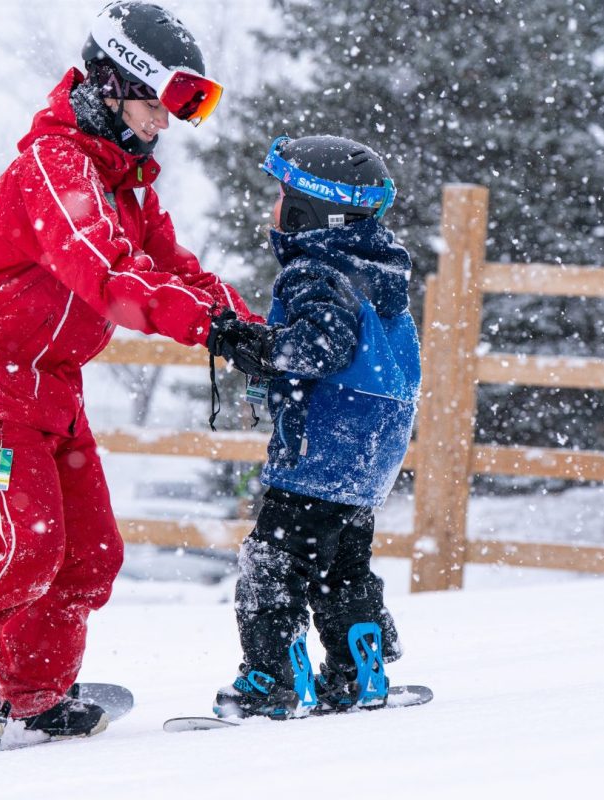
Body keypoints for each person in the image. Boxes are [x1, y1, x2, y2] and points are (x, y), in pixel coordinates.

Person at [0, 1, 260, 751]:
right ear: (114, 85)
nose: (165, 123)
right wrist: (205, 325)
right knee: (21, 545)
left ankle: (30, 691)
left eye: (178, 109)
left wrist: (253, 331)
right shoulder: (55, 168)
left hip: (50, 386)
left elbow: (178, 272)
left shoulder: (128, 187)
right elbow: (109, 273)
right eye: (158, 103)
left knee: (89, 555)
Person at [207, 134, 421, 719]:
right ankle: (358, 674)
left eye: (282, 197)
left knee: (272, 563)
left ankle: (270, 679)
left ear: (310, 210)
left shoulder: (315, 270)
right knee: (341, 566)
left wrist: (259, 346)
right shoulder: (378, 267)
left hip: (323, 445)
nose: (274, 208)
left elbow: (320, 346)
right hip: (371, 451)